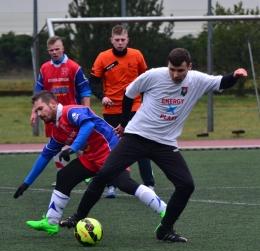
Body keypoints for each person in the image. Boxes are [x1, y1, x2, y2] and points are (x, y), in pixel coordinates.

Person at [60, 48, 247, 242]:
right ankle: (78, 217)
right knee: (104, 174)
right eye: (172, 69)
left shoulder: (197, 80)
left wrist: (235, 75)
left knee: (186, 185)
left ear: (188, 67)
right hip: (136, 137)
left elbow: (221, 82)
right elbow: (129, 93)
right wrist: (124, 123)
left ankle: (165, 230)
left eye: (180, 71)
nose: (175, 74)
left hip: (165, 144)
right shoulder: (153, 75)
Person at [14, 90, 167, 235]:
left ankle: (166, 210)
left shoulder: (70, 111)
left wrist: (73, 148)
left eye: (40, 109)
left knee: (124, 183)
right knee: (64, 176)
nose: (39, 114)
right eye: (36, 111)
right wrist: (26, 183)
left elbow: (88, 125)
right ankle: (51, 222)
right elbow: (45, 156)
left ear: (53, 104)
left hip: (111, 150)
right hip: (92, 156)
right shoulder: (56, 131)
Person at [89, 24, 155, 198]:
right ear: (112, 40)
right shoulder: (103, 57)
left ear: (127, 40)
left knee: (141, 146)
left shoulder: (137, 55)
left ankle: (149, 184)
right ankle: (112, 184)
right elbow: (93, 82)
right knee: (112, 148)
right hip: (111, 110)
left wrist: (148, 102)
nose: (120, 43)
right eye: (116, 40)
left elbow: (146, 79)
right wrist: (102, 96)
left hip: (135, 108)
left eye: (122, 40)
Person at [30, 35, 91, 187]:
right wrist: (34, 112)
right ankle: (62, 175)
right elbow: (39, 93)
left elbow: (85, 90)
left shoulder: (74, 67)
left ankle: (89, 173)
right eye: (51, 50)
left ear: (63, 49)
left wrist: (87, 110)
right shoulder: (44, 68)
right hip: (51, 116)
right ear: (48, 51)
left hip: (72, 116)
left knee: (80, 144)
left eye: (57, 49)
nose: (55, 52)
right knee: (56, 145)